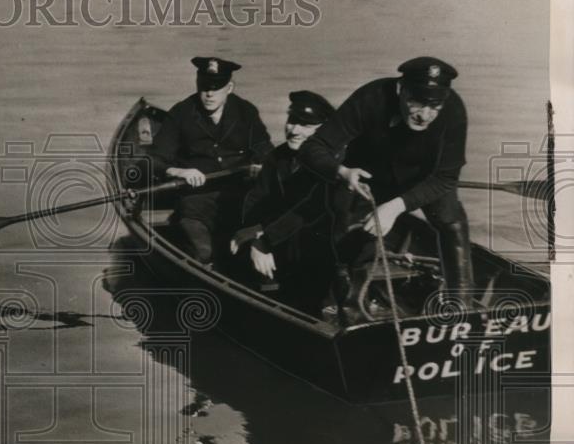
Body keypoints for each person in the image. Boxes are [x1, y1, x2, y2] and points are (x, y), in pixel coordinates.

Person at [298, 56, 473, 312]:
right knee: (348, 233)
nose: (425, 115)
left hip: (424, 179)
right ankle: (349, 307)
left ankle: (463, 306)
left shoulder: (453, 109)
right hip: (368, 177)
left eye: (434, 106)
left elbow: (446, 177)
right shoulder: (371, 98)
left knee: (452, 221)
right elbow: (313, 148)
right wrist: (342, 172)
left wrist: (395, 207)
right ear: (401, 89)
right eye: (417, 103)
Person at [151, 56, 273, 266]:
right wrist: (179, 172)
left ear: (230, 87)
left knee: (255, 248)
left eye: (216, 87)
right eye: (204, 86)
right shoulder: (181, 113)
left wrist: (262, 166)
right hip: (196, 202)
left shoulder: (246, 111)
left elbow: (264, 149)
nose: (209, 93)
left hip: (240, 198)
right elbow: (153, 159)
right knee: (203, 253)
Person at [229, 90, 336, 313]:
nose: (294, 130)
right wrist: (252, 229)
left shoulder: (332, 163)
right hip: (281, 235)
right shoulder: (278, 157)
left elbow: (312, 211)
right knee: (236, 253)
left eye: (305, 125)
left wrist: (265, 240)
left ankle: (322, 305)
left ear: (324, 130)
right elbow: (258, 198)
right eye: (292, 121)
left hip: (321, 244)